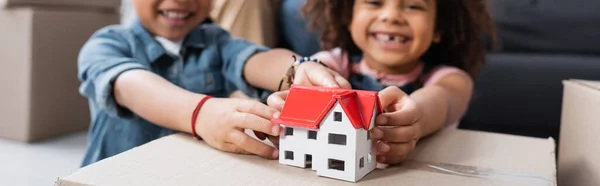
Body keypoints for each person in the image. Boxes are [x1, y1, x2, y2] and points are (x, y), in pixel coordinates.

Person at [77, 0, 347, 166]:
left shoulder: (216, 41)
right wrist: (201, 114)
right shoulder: (109, 43)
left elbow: (255, 59)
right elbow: (129, 85)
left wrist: (299, 68)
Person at [268, 0, 496, 165]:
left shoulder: (449, 79)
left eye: (413, 6)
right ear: (349, 18)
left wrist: (416, 119)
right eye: (374, 2)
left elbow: (442, 100)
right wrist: (299, 81)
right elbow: (301, 69)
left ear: (438, 28)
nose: (391, 16)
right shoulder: (334, 64)